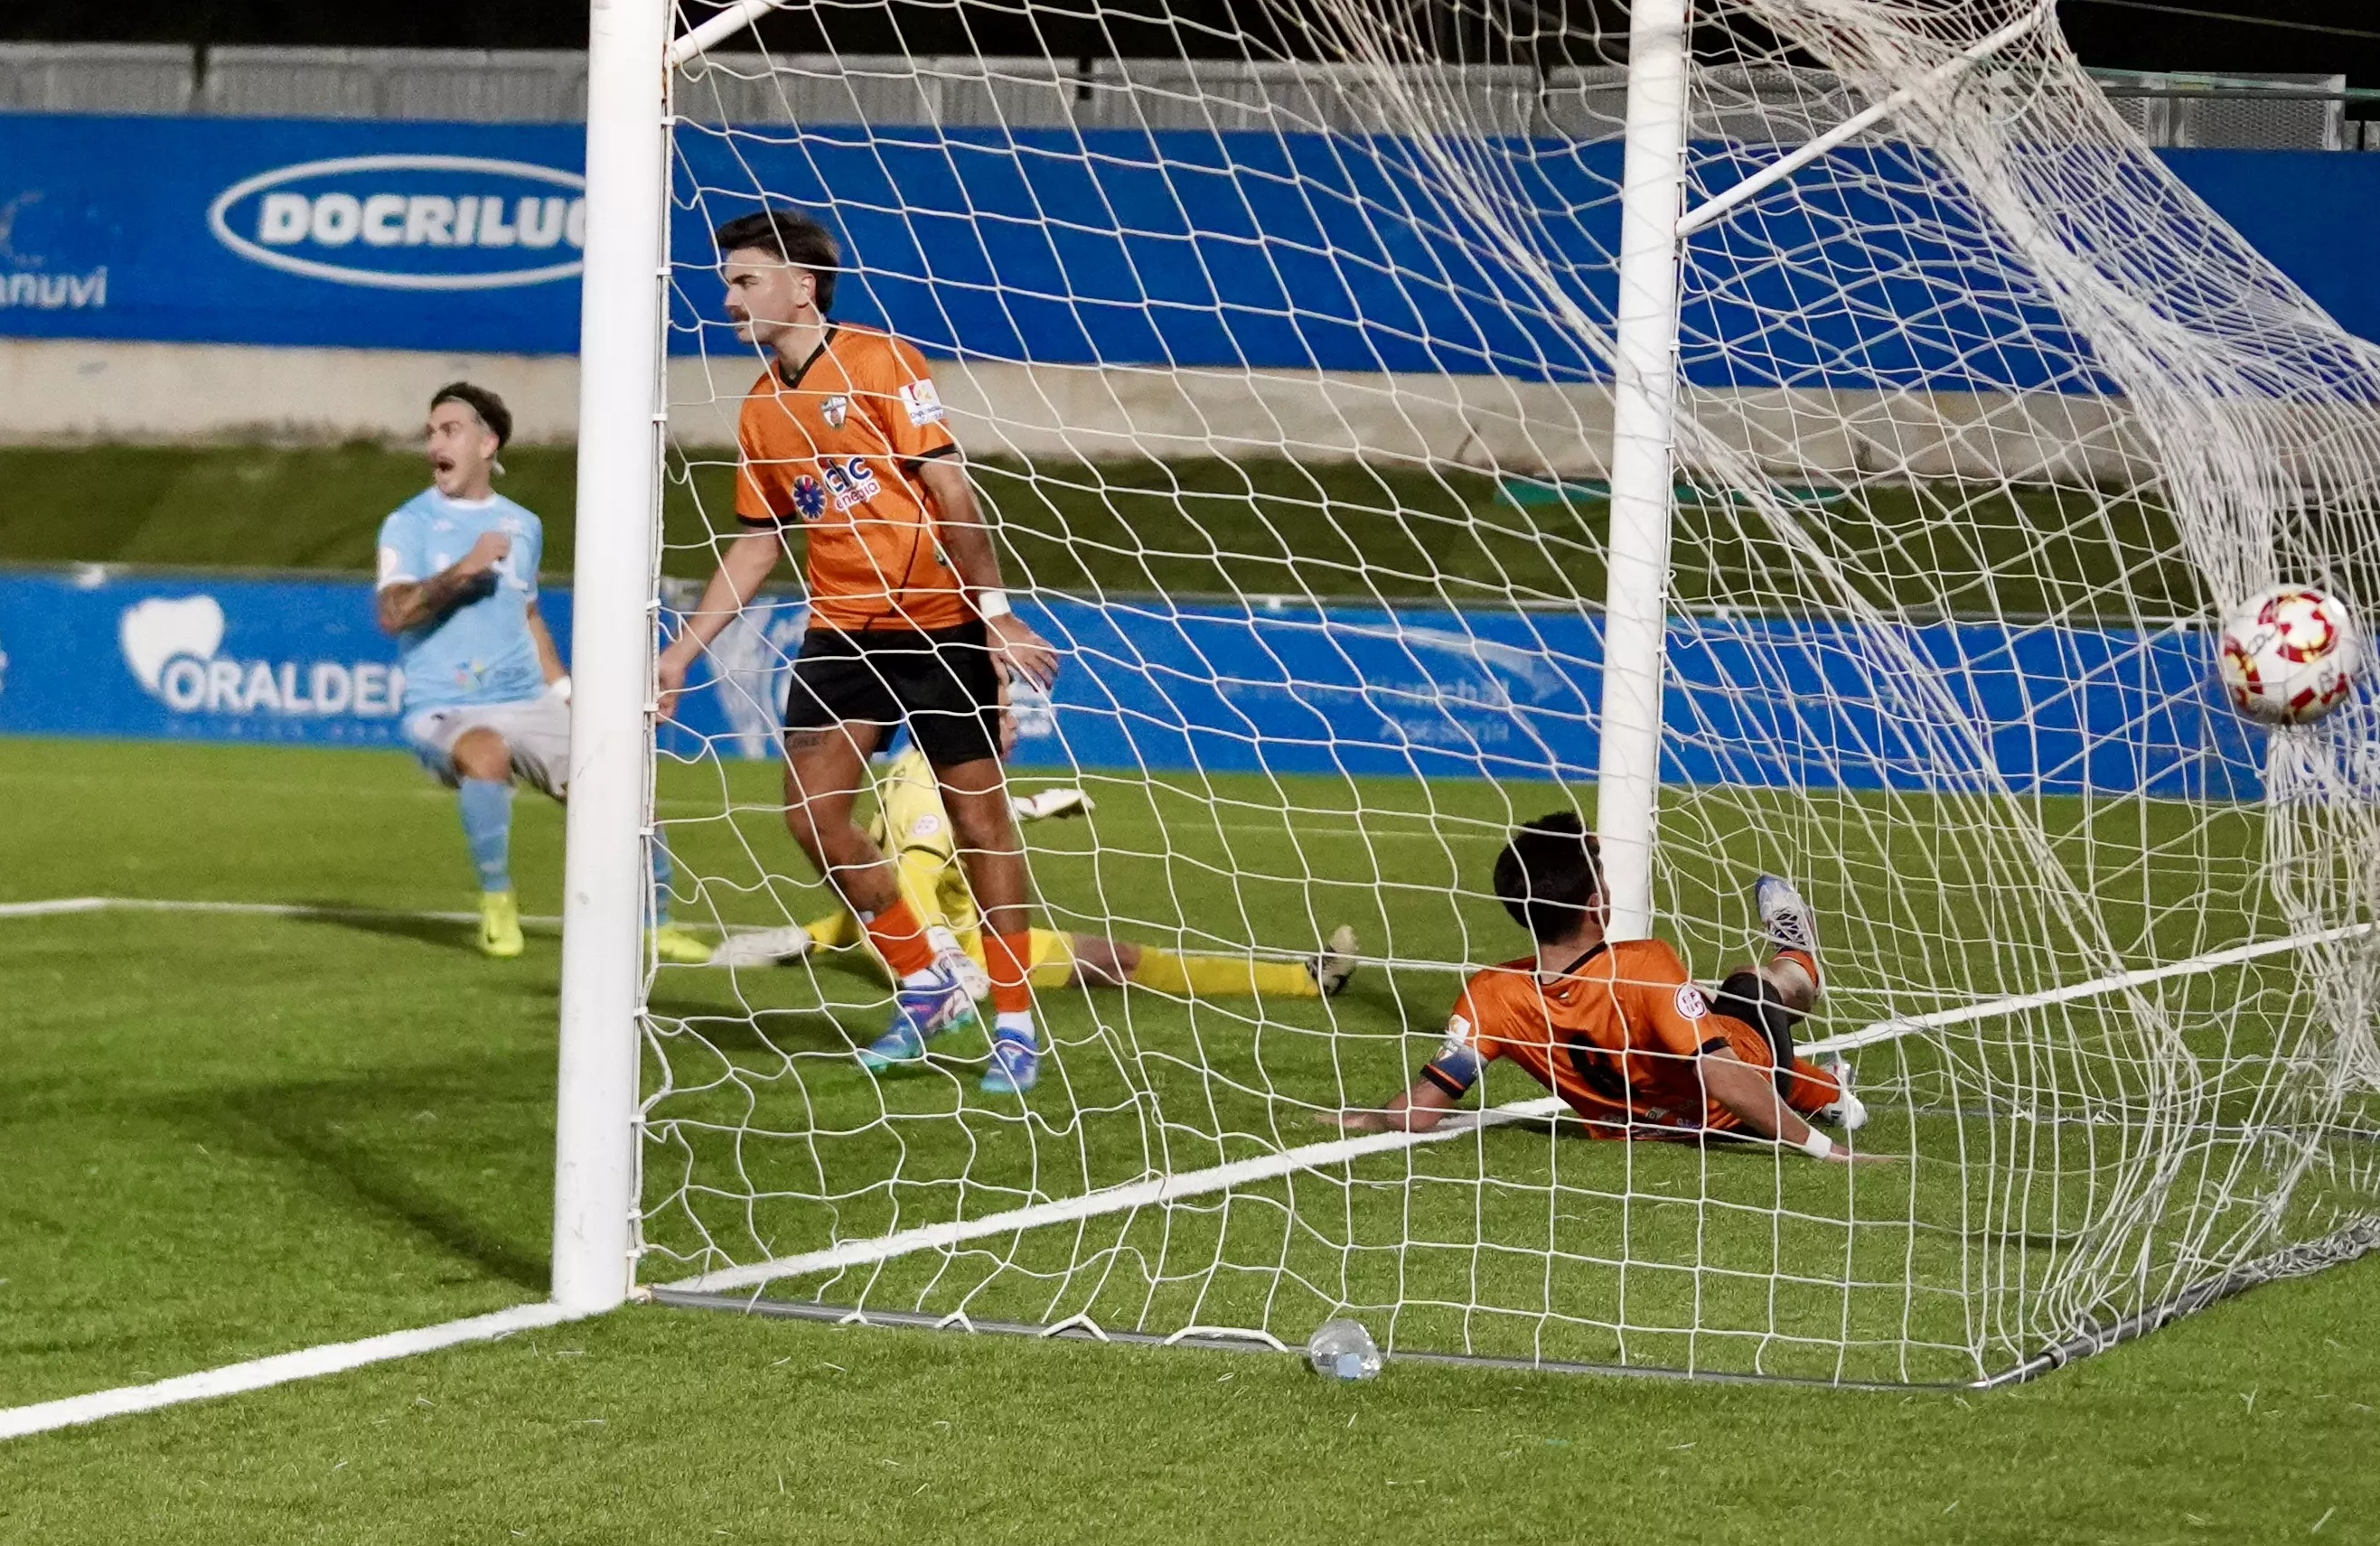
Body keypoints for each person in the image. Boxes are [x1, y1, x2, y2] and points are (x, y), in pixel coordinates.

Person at [652, 208, 1061, 1094]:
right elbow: (760, 542)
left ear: (800, 286)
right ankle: (926, 981)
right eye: (726, 281)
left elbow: (948, 485)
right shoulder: (761, 409)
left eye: (743, 279)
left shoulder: (880, 361)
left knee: (980, 824)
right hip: (840, 631)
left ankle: (1016, 1025)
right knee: (811, 815)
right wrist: (680, 653)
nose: (726, 298)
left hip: (936, 621)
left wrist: (991, 612)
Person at [376, 381, 708, 965]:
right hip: (443, 706)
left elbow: (526, 614)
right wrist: (462, 570)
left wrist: (566, 693)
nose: (434, 444)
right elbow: (392, 614)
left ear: (488, 442)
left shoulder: (523, 525)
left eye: (449, 430)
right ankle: (497, 903)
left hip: (526, 697)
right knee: (487, 754)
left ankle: (659, 927)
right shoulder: (408, 524)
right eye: (430, 433)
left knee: (624, 782)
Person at [1344, 811, 1868, 1155]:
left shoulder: (1491, 994)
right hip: (1748, 1093)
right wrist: (1824, 1149)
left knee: (1697, 1006)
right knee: (1753, 985)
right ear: (1598, 906)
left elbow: (1418, 1111)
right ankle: (1798, 959)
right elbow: (1725, 1077)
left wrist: (1364, 1117)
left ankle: (1823, 1075)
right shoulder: (1646, 963)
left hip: (1663, 1113)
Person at [775, 744, 1358, 1004]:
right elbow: (913, 879)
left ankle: (1303, 979)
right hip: (960, 956)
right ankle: (1304, 981)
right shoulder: (931, 792)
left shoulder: (913, 768)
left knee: (1121, 959)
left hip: (940, 941)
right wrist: (944, 968)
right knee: (1124, 961)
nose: (1012, 726)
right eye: (1000, 710)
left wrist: (813, 935)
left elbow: (872, 878)